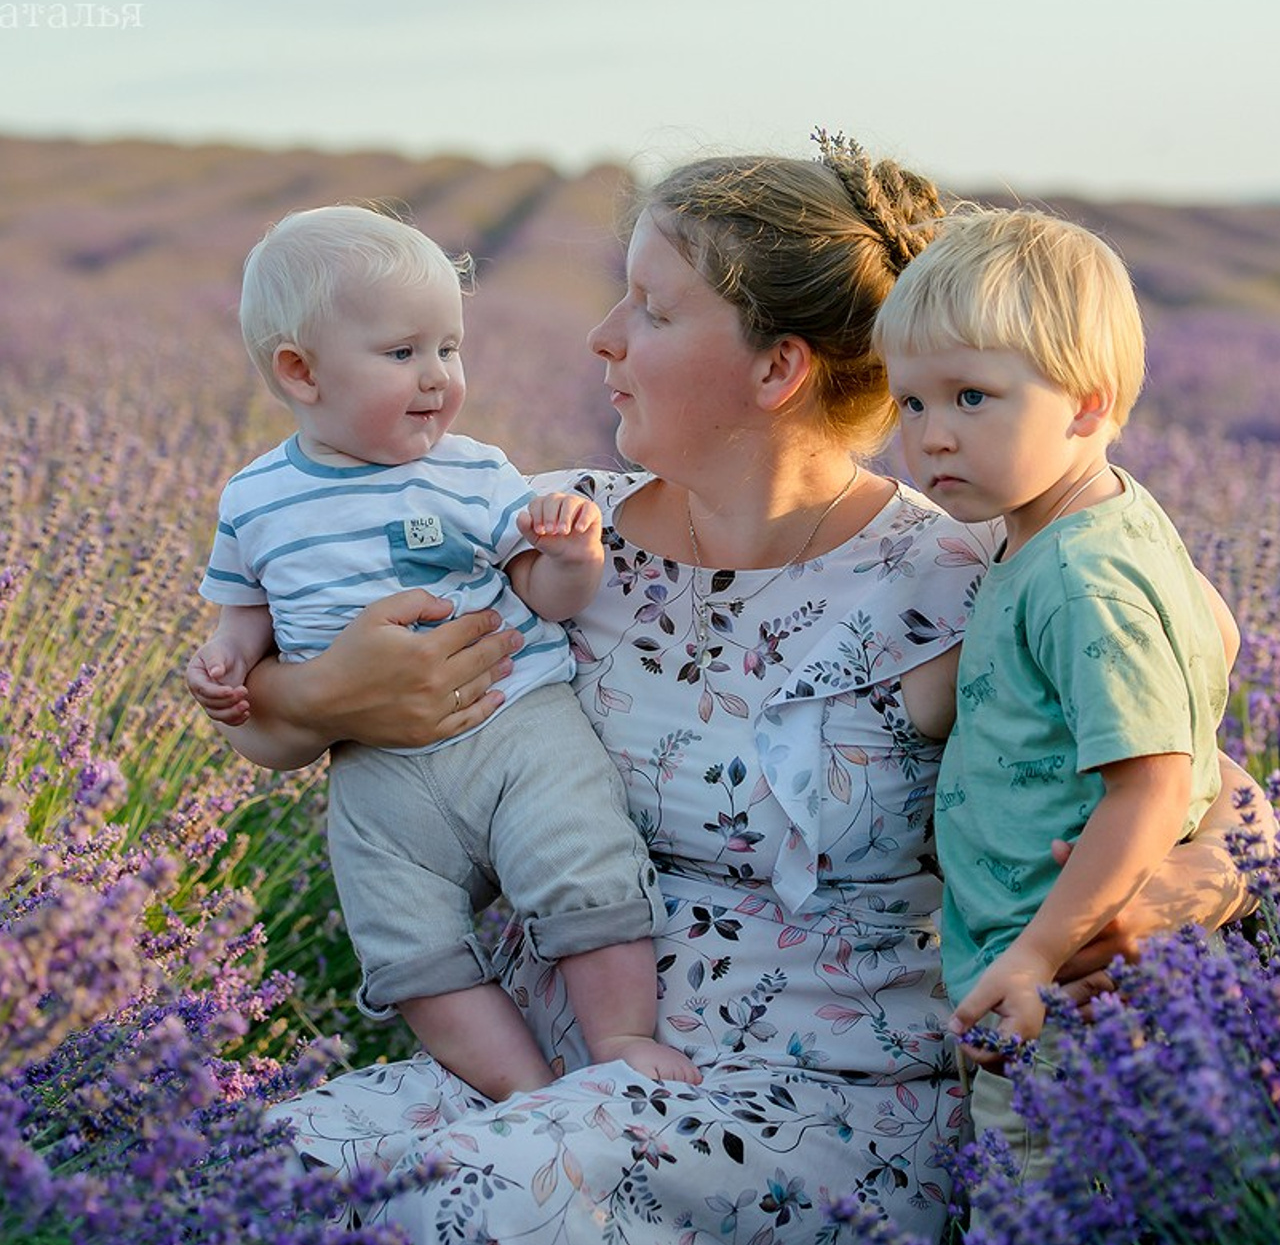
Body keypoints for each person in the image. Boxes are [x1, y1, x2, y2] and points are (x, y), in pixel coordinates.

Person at [222, 137, 1269, 1244]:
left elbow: (1182, 767)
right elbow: (272, 715)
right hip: (534, 1065)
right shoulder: (549, 531)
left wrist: (1193, 880)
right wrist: (320, 692)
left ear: (776, 371)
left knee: (435, 1208)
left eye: (650, 309)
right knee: (246, 1175)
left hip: (804, 1111)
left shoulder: (955, 583)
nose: (601, 337)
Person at [188, 204, 699, 1099]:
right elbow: (244, 614)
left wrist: (573, 557)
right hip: (376, 773)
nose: (436, 378)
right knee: (406, 944)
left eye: (449, 350)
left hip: (516, 729)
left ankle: (619, 1035)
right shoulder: (256, 499)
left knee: (586, 865)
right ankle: (522, 1091)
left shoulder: (471, 471)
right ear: (301, 373)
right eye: (402, 354)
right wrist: (224, 664)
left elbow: (542, 591)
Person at [872, 206, 1232, 1184]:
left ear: (1084, 403)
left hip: (1069, 982)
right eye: (909, 404)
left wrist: (1035, 955)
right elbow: (1221, 632)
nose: (931, 436)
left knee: (1036, 1196)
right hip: (1045, 961)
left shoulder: (1077, 578)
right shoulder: (1077, 521)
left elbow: (1149, 787)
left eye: (971, 397)